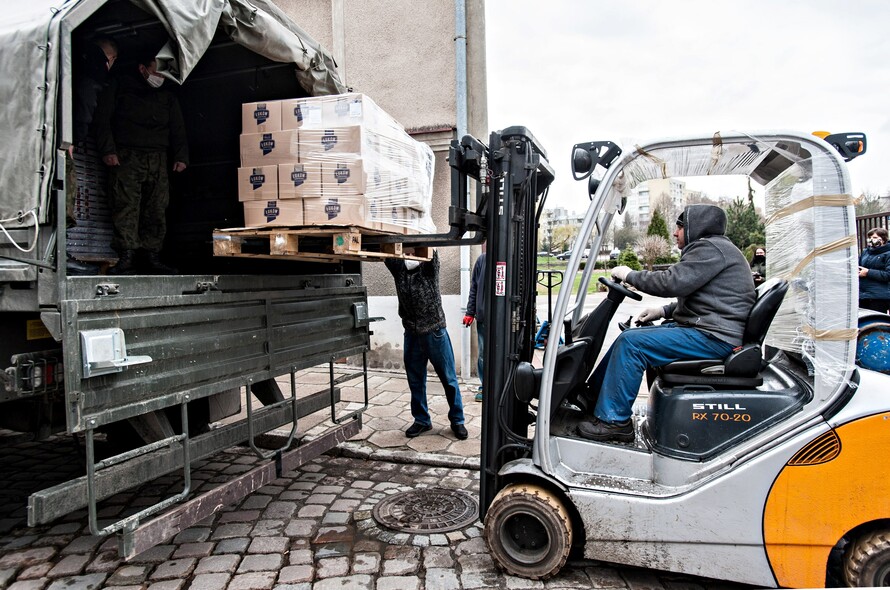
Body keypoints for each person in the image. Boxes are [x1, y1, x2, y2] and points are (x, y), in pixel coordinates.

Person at [577, 204, 756, 443]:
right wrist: (662, 311)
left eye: (680, 227)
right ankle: (593, 396)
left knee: (633, 344)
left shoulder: (710, 248)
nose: (675, 232)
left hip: (714, 337)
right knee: (628, 337)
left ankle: (614, 421)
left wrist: (629, 274)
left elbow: (671, 282)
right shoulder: (717, 249)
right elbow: (702, 299)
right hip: (710, 331)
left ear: (696, 227)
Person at [94, 52, 188, 275]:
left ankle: (152, 256)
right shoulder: (120, 87)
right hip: (127, 155)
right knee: (126, 205)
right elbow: (103, 119)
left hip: (158, 157)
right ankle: (127, 256)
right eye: (156, 71)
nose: (160, 76)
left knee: (156, 207)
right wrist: (108, 150)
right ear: (142, 69)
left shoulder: (167, 96)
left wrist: (181, 156)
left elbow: (178, 128)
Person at [385, 250, 468, 440]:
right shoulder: (399, 270)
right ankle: (422, 420)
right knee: (415, 379)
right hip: (412, 333)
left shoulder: (428, 268)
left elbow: (432, 251)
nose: (409, 251)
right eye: (405, 248)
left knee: (448, 378)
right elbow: (388, 253)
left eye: (413, 248)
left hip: (434, 331)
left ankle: (457, 420)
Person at [65, 37, 118, 274]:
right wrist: (74, 138)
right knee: (64, 195)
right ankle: (59, 256)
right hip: (61, 140)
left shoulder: (72, 58)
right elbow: (85, 104)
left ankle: (58, 254)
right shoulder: (93, 71)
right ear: (111, 58)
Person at [462, 250, 486, 402]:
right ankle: (484, 386)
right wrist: (470, 311)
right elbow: (474, 288)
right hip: (484, 318)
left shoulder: (510, 259)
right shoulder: (482, 260)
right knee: (483, 354)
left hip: (504, 320)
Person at [858, 227, 890, 314]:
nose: (871, 240)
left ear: (883, 239)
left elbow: (888, 275)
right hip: (863, 295)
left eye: (875, 238)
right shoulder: (866, 252)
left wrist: (868, 272)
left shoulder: (888, 254)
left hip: (879, 297)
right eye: (870, 237)